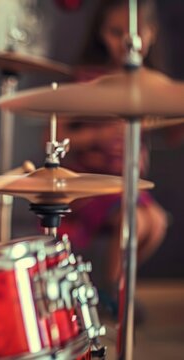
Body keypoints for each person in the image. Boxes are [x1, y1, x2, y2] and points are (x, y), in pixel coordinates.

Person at [57, 0, 168, 300]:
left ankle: (114, 286)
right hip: (88, 184)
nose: (125, 42)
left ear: (151, 34)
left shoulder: (150, 84)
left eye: (133, 33)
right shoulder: (87, 81)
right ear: (100, 34)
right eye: (115, 32)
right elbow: (55, 135)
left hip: (127, 185)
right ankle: (114, 293)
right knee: (134, 221)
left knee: (156, 223)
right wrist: (98, 135)